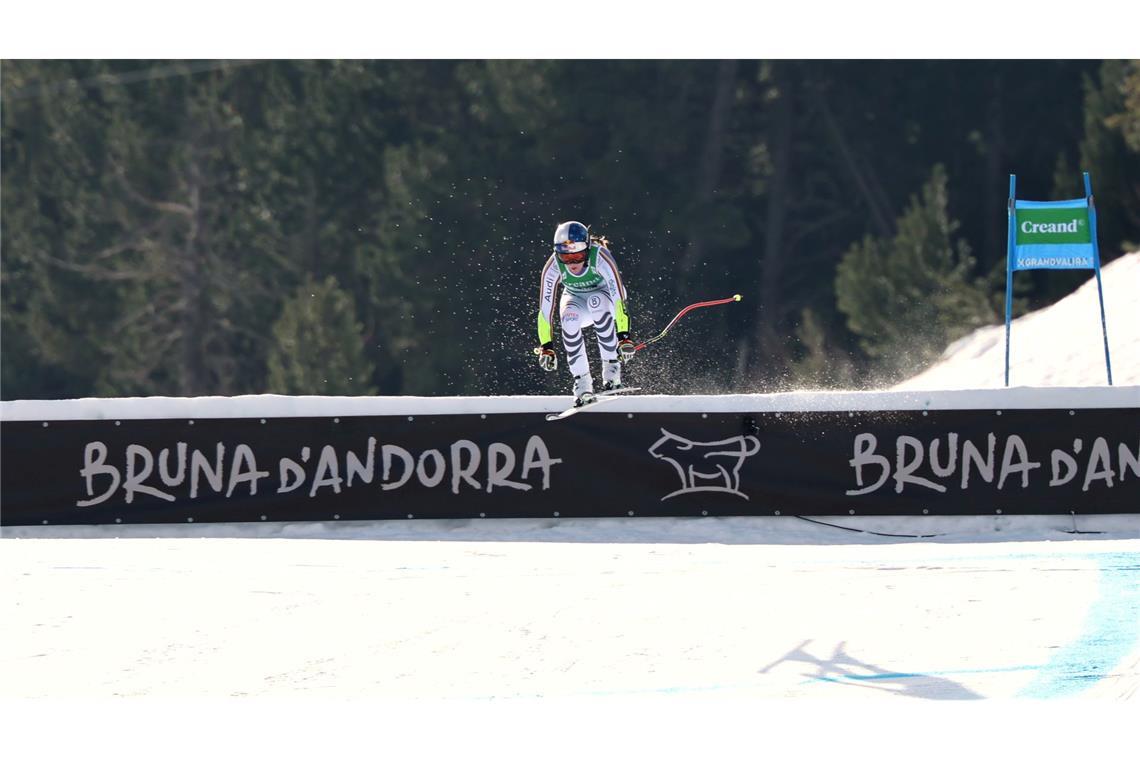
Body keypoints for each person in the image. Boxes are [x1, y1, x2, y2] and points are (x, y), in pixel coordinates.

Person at [536, 220, 636, 406]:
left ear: (588, 249)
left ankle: (611, 373)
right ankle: (582, 385)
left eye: (578, 256)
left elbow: (618, 298)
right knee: (569, 318)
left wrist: (624, 336)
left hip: (605, 298)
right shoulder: (553, 265)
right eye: (566, 258)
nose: (572, 263)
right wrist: (546, 346)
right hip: (576, 298)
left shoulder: (600, 257)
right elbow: (545, 309)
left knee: (595, 301)